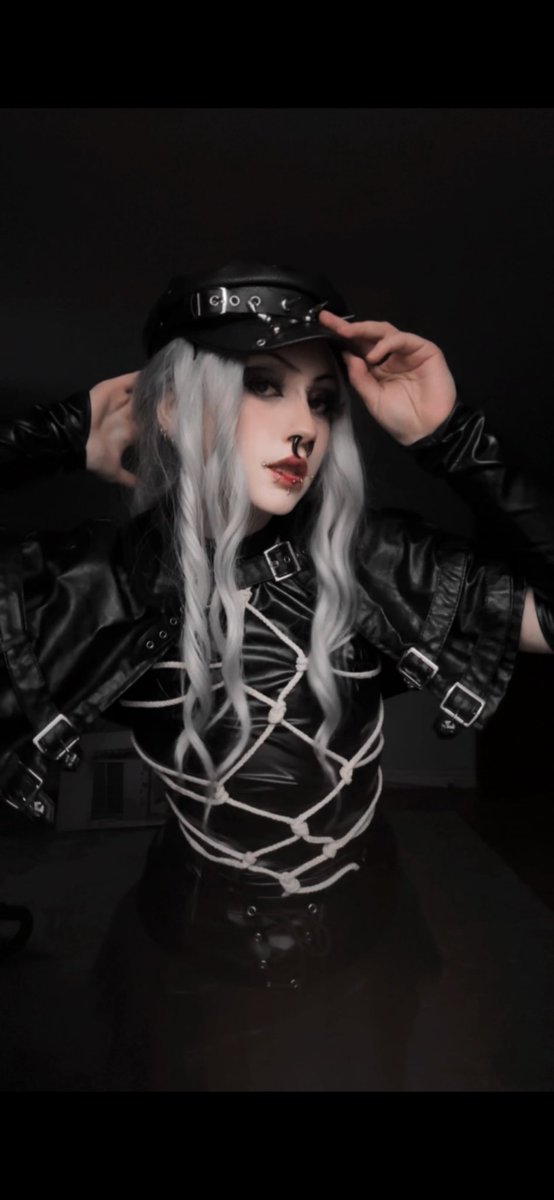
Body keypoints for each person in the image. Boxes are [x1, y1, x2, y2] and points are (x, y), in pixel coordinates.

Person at [1, 260, 553, 1091]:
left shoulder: (371, 563)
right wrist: (54, 434)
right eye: (264, 386)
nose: (304, 429)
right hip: (190, 958)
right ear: (175, 405)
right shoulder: (97, 586)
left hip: (369, 935)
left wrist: (456, 439)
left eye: (322, 401)